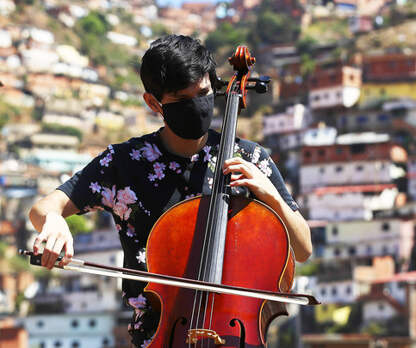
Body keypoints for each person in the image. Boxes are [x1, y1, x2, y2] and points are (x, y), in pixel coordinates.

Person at [28, 34, 312, 347]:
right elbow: (43, 209)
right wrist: (54, 222)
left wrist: (269, 193)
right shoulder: (124, 163)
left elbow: (302, 249)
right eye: (182, 100)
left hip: (234, 335)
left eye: (203, 93)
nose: (197, 105)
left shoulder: (251, 159)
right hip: (160, 335)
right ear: (154, 102)